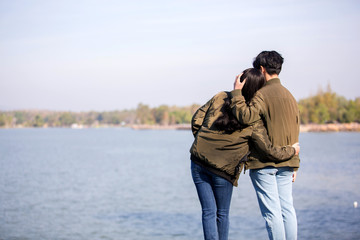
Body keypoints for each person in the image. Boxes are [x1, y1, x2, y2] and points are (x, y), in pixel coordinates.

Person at [190, 68, 300, 240]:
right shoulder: (252, 117)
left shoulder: (220, 96)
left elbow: (197, 119)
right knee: (222, 213)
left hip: (198, 161)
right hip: (223, 170)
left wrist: (204, 141)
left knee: (208, 212)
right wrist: (292, 151)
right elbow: (268, 150)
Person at [230, 51, 300, 240]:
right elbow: (295, 132)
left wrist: (237, 92)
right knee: (287, 210)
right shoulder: (290, 96)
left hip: (264, 164)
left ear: (261, 69)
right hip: (287, 162)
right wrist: (295, 163)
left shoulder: (262, 95)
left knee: (272, 214)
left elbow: (246, 117)